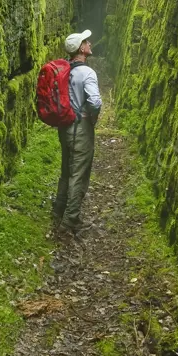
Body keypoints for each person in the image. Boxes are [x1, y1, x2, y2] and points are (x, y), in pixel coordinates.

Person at [53, 29, 102, 235]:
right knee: (78, 173)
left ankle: (58, 210)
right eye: (86, 41)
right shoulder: (87, 73)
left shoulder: (65, 71)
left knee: (67, 169)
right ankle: (70, 220)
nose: (90, 43)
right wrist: (93, 116)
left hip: (65, 127)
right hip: (80, 127)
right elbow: (94, 101)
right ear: (81, 48)